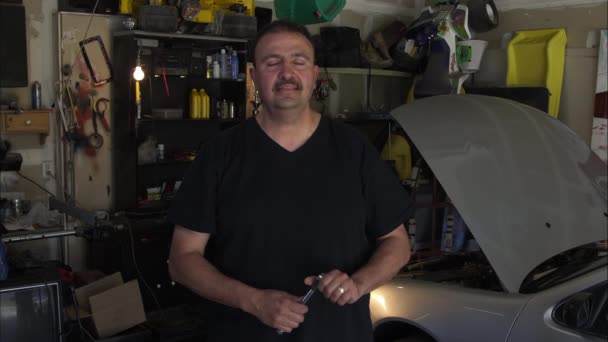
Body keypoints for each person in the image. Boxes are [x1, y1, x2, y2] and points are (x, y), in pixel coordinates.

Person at [167, 20, 413, 342]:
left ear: (314, 75)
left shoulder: (354, 150)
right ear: (254, 77)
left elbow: (397, 244)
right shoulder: (220, 154)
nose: (286, 72)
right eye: (272, 62)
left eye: (299, 61)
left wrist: (359, 283)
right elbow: (182, 260)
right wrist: (254, 301)